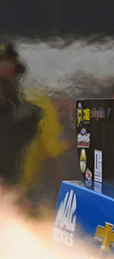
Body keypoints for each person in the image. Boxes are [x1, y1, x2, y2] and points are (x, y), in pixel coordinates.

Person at [0, 41, 66, 197]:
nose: (2, 71)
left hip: (25, 196)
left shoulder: (38, 105)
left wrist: (54, 198)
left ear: (17, 69)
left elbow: (56, 158)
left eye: (6, 65)